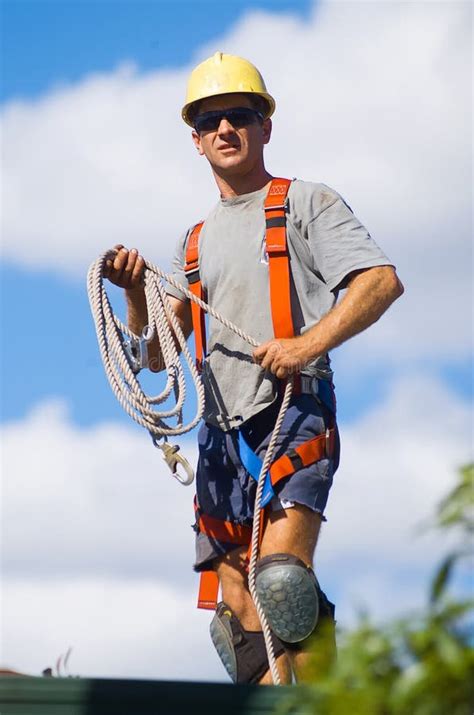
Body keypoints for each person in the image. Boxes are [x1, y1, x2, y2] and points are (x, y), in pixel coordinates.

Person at [104, 52, 404, 685]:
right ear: (196, 139)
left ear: (265, 125)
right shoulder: (192, 242)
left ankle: (327, 702)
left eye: (239, 116)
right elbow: (157, 355)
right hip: (219, 427)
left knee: (281, 582)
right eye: (211, 120)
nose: (225, 130)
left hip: (291, 412)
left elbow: (379, 282)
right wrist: (134, 293)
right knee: (235, 610)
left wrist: (305, 344)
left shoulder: (305, 204)